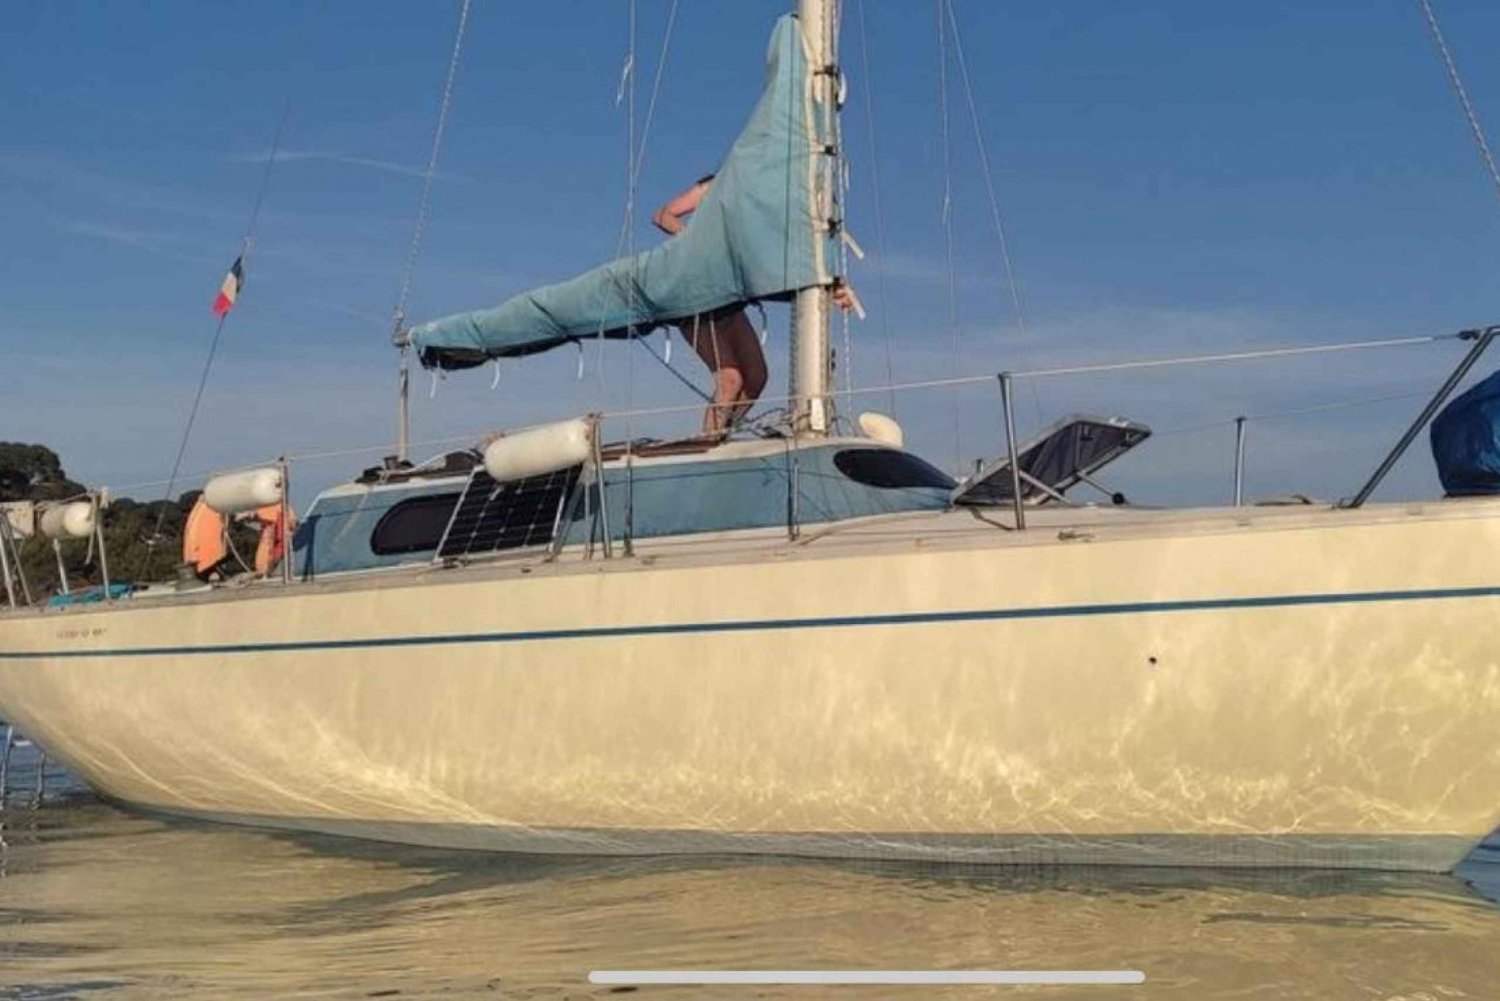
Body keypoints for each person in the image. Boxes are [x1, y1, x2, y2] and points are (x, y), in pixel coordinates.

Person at [654, 174, 769, 436]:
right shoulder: (712, 186)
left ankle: (721, 434)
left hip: (727, 297)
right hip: (696, 297)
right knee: (730, 379)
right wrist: (698, 243)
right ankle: (709, 442)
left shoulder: (755, 201)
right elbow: (663, 215)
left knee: (756, 376)